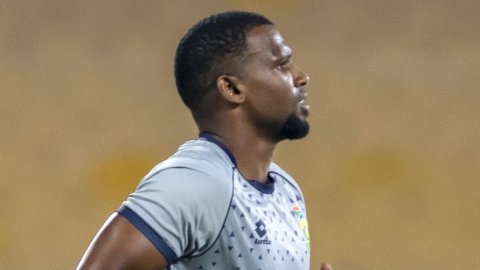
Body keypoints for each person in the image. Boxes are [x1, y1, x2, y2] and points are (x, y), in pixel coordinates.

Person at [77, 11, 332, 270]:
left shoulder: (288, 191)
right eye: (281, 64)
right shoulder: (196, 182)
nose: (300, 76)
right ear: (232, 89)